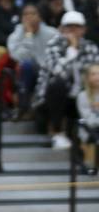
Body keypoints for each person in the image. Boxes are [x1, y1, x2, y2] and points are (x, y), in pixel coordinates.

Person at [34, 10, 99, 149]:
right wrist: (73, 50)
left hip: (81, 98)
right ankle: (57, 132)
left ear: (84, 29)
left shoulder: (91, 47)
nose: (73, 31)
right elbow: (57, 71)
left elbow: (93, 74)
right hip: (52, 100)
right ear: (61, 29)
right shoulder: (53, 45)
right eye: (69, 27)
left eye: (77, 27)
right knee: (59, 84)